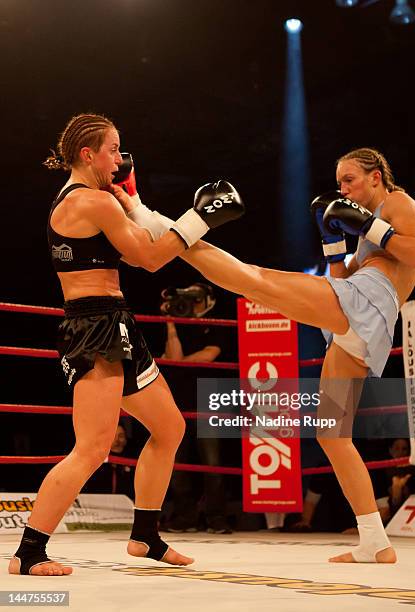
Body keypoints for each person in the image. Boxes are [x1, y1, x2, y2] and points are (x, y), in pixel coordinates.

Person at [9, 113, 244, 576]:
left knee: (169, 427)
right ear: (87, 154)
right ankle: (29, 552)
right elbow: (150, 258)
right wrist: (199, 218)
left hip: (116, 322)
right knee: (93, 447)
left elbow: (141, 242)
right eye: (113, 150)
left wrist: (132, 201)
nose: (120, 158)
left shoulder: (100, 199)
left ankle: (145, 535)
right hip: (95, 325)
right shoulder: (90, 202)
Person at [176, 147, 415, 563]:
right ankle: (375, 541)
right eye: (339, 183)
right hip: (360, 318)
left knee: (257, 281)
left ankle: (172, 232)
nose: (343, 189)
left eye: (349, 180)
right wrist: (334, 244)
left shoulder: (398, 203)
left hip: (368, 304)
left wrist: (369, 224)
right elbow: (341, 278)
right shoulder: (369, 227)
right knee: (332, 435)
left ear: (375, 176)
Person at [160, 284, 232, 534]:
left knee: (212, 462)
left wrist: (180, 363)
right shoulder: (177, 322)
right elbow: (172, 357)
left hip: (210, 398)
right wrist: (170, 324)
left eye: (197, 299)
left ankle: (216, 517)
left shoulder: (217, 323)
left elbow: (209, 355)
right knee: (178, 462)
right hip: (179, 400)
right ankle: (185, 516)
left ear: (208, 301)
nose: (193, 304)